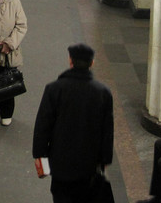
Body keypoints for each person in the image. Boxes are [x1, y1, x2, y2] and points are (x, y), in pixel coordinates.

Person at [32, 43, 114, 203]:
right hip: (89, 164)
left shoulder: (54, 88)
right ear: (92, 63)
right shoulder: (103, 92)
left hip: (60, 163)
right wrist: (104, 160)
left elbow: (43, 125)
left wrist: (40, 156)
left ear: (70, 61)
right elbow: (107, 130)